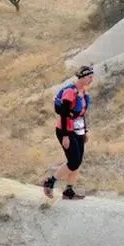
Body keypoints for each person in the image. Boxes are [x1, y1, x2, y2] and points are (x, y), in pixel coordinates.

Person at [43, 66, 95, 201]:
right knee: (73, 162)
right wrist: (65, 136)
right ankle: (50, 182)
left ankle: (68, 191)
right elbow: (64, 115)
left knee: (77, 162)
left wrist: (85, 131)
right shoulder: (70, 92)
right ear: (82, 77)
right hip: (66, 130)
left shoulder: (83, 92)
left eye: (92, 77)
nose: (91, 80)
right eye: (89, 77)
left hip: (79, 131)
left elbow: (81, 114)